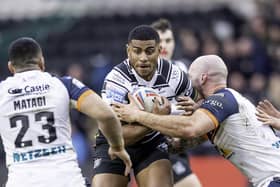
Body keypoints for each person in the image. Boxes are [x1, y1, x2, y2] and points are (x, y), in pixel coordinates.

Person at [114, 55, 280, 187]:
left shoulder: (222, 99)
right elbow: (183, 143)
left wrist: (137, 116)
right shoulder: (228, 104)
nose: (187, 83)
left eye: (190, 77)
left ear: (202, 78)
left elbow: (190, 128)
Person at [0, 37, 131, 187]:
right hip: (66, 180)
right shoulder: (64, 85)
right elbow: (107, 114)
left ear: (11, 67)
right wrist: (117, 147)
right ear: (42, 62)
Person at [92, 25, 199, 187]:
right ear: (128, 51)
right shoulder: (116, 81)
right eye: (137, 51)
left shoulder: (175, 76)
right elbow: (119, 136)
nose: (143, 58)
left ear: (159, 50)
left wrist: (194, 109)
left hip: (152, 144)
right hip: (114, 144)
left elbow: (199, 109)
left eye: (149, 51)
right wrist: (157, 119)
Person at [151, 18, 202, 187]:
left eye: (168, 40)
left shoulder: (182, 68)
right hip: (155, 148)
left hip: (179, 144)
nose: (165, 46)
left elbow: (196, 103)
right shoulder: (143, 75)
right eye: (160, 41)